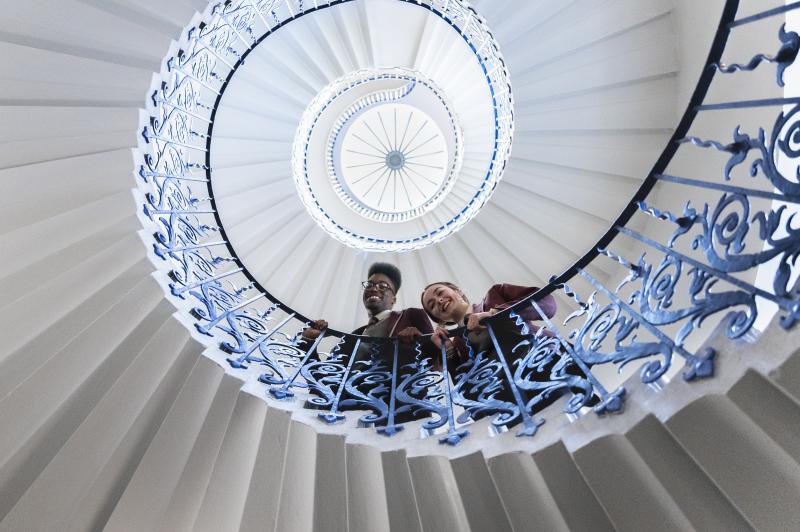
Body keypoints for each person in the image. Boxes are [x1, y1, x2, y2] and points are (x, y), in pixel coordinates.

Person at [302, 262, 432, 341]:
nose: (374, 288)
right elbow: (323, 383)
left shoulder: (412, 316)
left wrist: (419, 340)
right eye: (369, 285)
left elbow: (437, 361)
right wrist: (308, 341)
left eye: (383, 286)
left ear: (393, 299)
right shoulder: (354, 335)